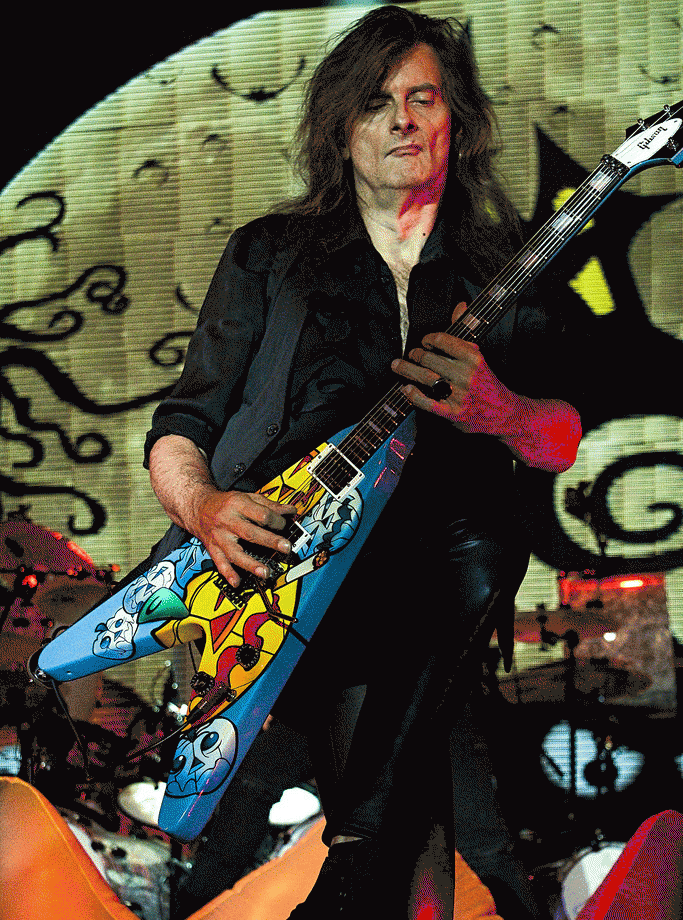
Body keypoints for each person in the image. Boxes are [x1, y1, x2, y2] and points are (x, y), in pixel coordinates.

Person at [144, 6, 582, 917]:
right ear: (340, 129)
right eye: (376, 103)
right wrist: (204, 509)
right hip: (295, 585)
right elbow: (185, 422)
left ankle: (348, 880)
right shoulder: (271, 255)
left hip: (442, 593)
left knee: (450, 849)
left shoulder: (502, 263)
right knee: (398, 835)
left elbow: (561, 437)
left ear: (456, 119)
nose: (402, 121)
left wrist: (500, 411)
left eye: (423, 98)